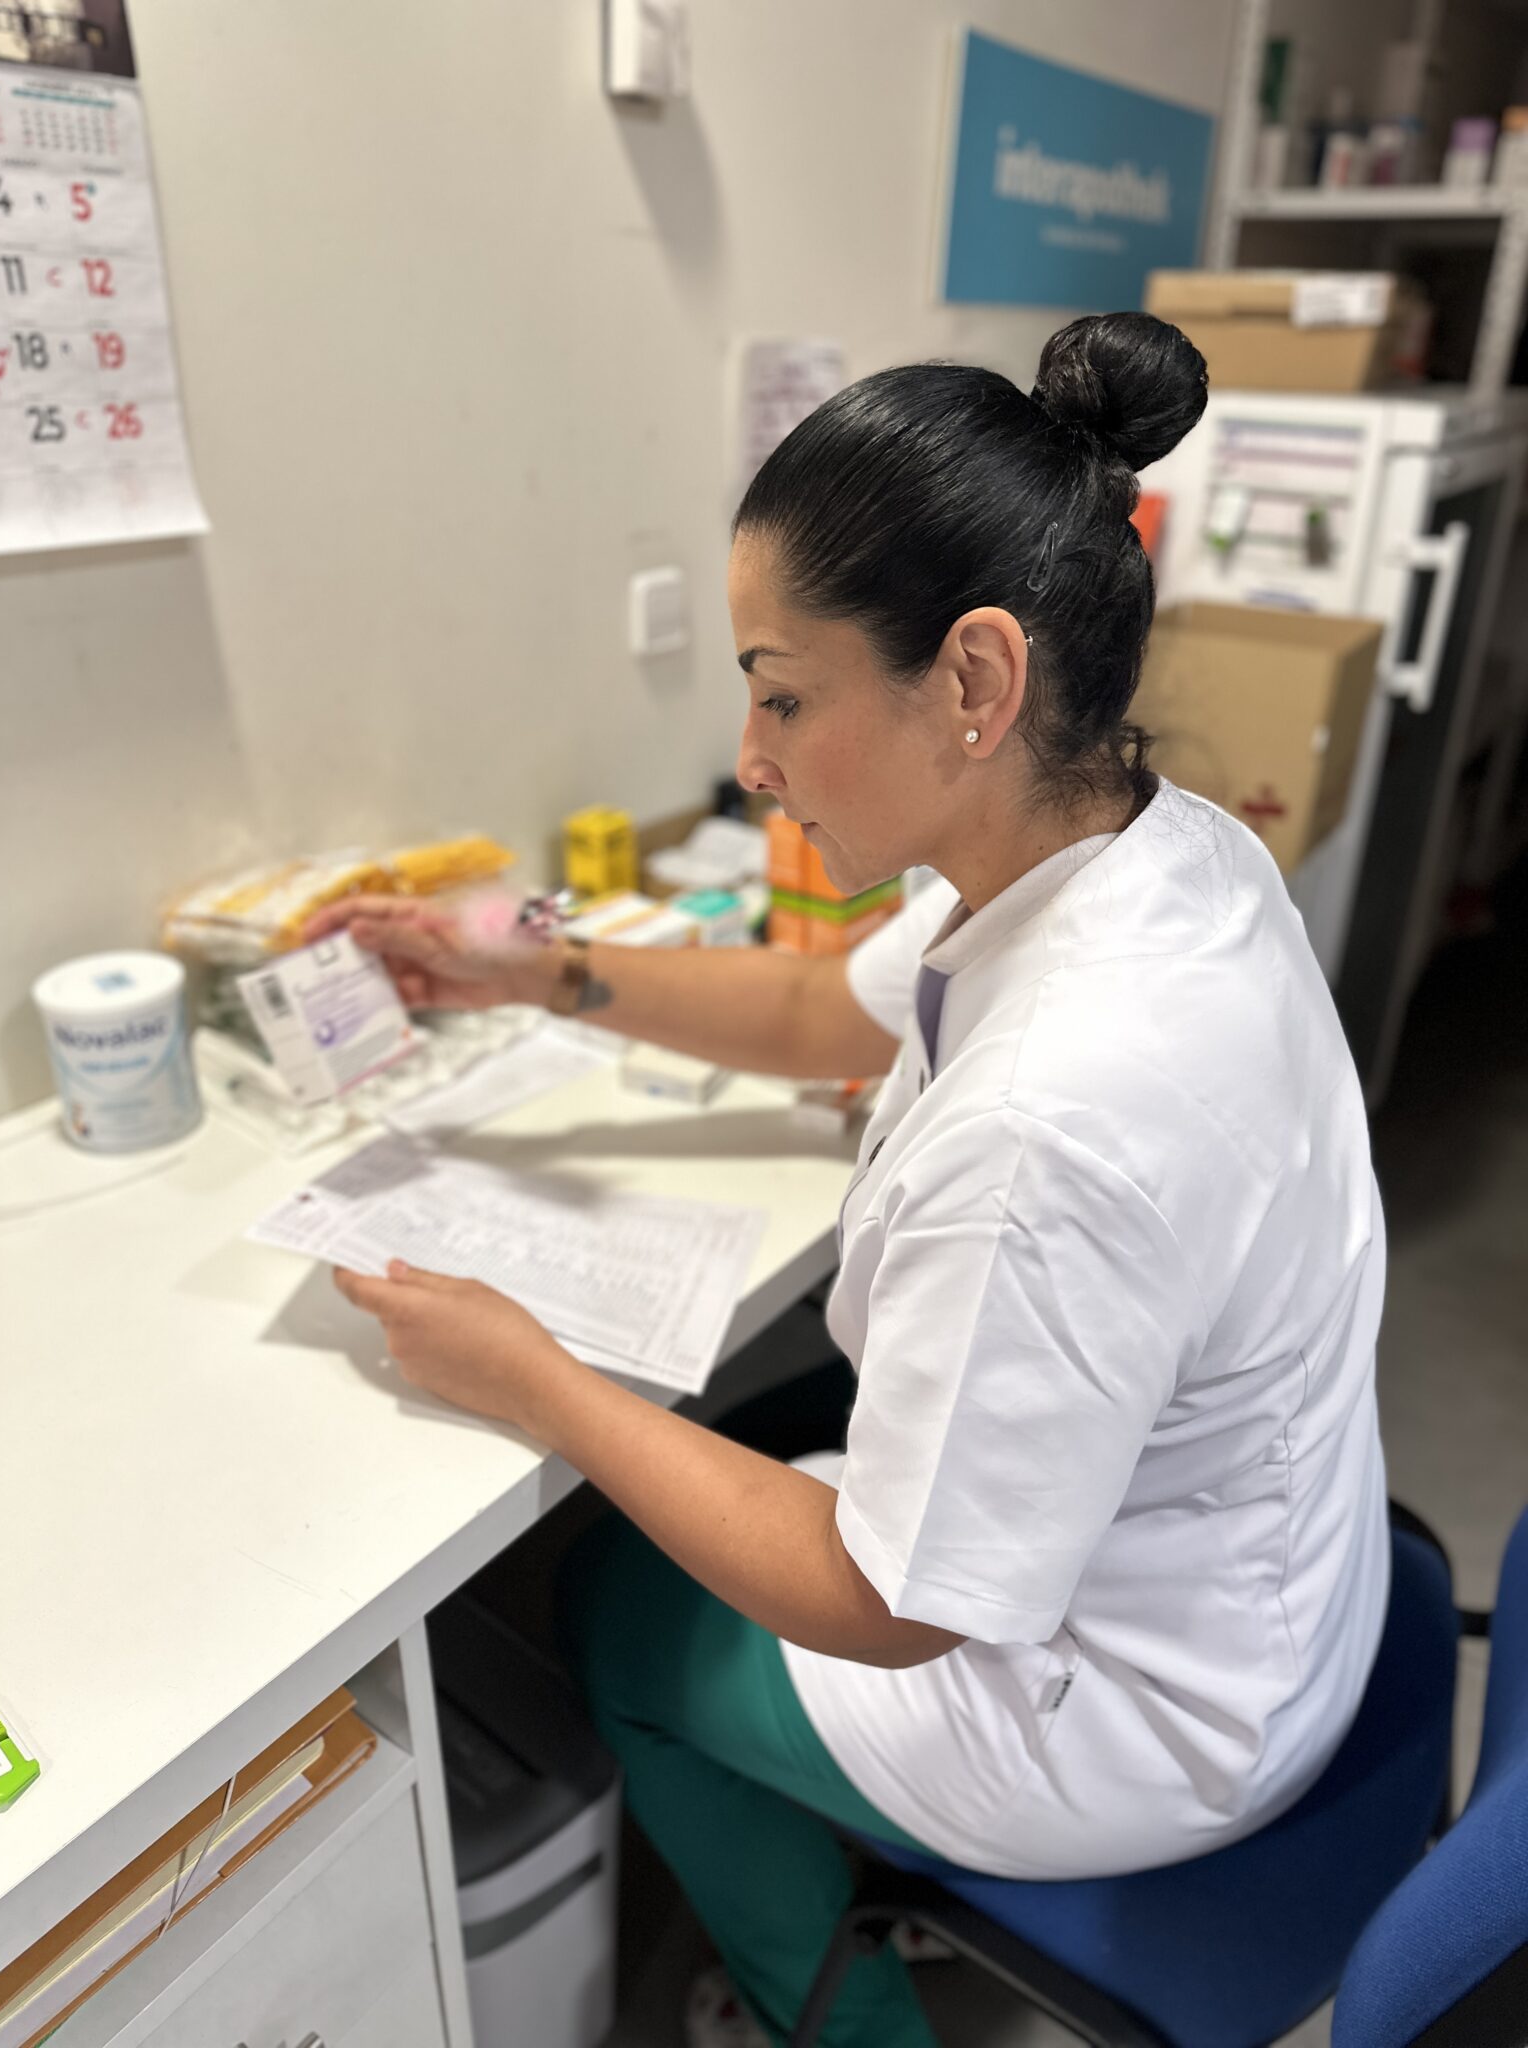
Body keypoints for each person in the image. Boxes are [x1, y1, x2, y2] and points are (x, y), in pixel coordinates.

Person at [313, 313, 1389, 2048]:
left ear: (973, 680)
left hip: (1143, 1722)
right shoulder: (1140, 847)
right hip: (1262, 1583)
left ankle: (841, 2020)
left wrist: (541, 1383)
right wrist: (541, 969)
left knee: (616, 1615)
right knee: (745, 1447)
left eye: (783, 693)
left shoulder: (1059, 1115)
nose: (752, 759)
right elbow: (827, 1001)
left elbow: (892, 1608)